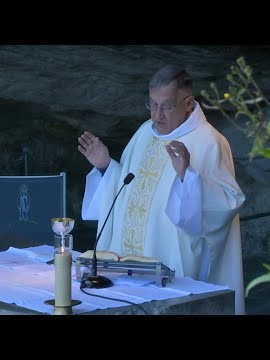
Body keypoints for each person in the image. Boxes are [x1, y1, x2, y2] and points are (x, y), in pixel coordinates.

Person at [78, 64, 246, 315]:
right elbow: (125, 190)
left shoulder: (209, 141)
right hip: (126, 267)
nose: (157, 116)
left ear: (188, 104)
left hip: (171, 268)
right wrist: (105, 167)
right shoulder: (144, 132)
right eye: (152, 105)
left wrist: (187, 177)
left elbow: (226, 205)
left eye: (166, 106)